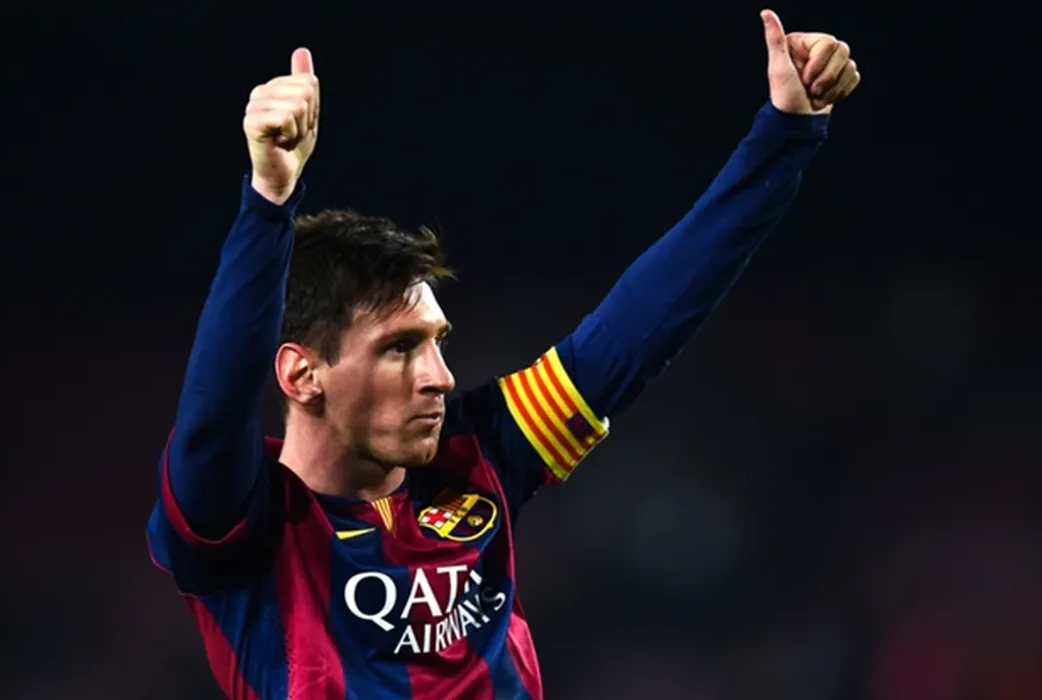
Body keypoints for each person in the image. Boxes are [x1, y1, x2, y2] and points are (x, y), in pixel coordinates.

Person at [146, 9, 860, 699]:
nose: (440, 378)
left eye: (437, 342)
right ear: (302, 374)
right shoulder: (245, 518)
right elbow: (215, 409)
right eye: (399, 350)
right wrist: (269, 201)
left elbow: (641, 327)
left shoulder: (477, 453)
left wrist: (785, 132)